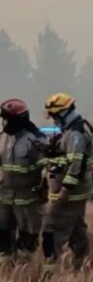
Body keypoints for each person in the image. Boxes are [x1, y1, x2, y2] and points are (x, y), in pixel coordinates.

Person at [41, 92, 93, 273]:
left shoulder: (76, 134)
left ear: (63, 113)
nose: (54, 120)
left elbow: (76, 164)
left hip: (69, 195)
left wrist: (65, 188)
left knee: (50, 231)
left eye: (55, 116)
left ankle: (49, 277)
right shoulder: (72, 132)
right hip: (73, 193)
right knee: (75, 230)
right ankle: (84, 267)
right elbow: (66, 156)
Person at [0, 99, 47, 264]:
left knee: (27, 243)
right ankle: (8, 274)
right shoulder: (3, 138)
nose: (4, 122)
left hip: (28, 200)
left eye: (6, 119)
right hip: (5, 198)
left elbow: (46, 170)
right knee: (3, 238)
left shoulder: (34, 141)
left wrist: (44, 190)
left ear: (17, 120)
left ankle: (26, 274)